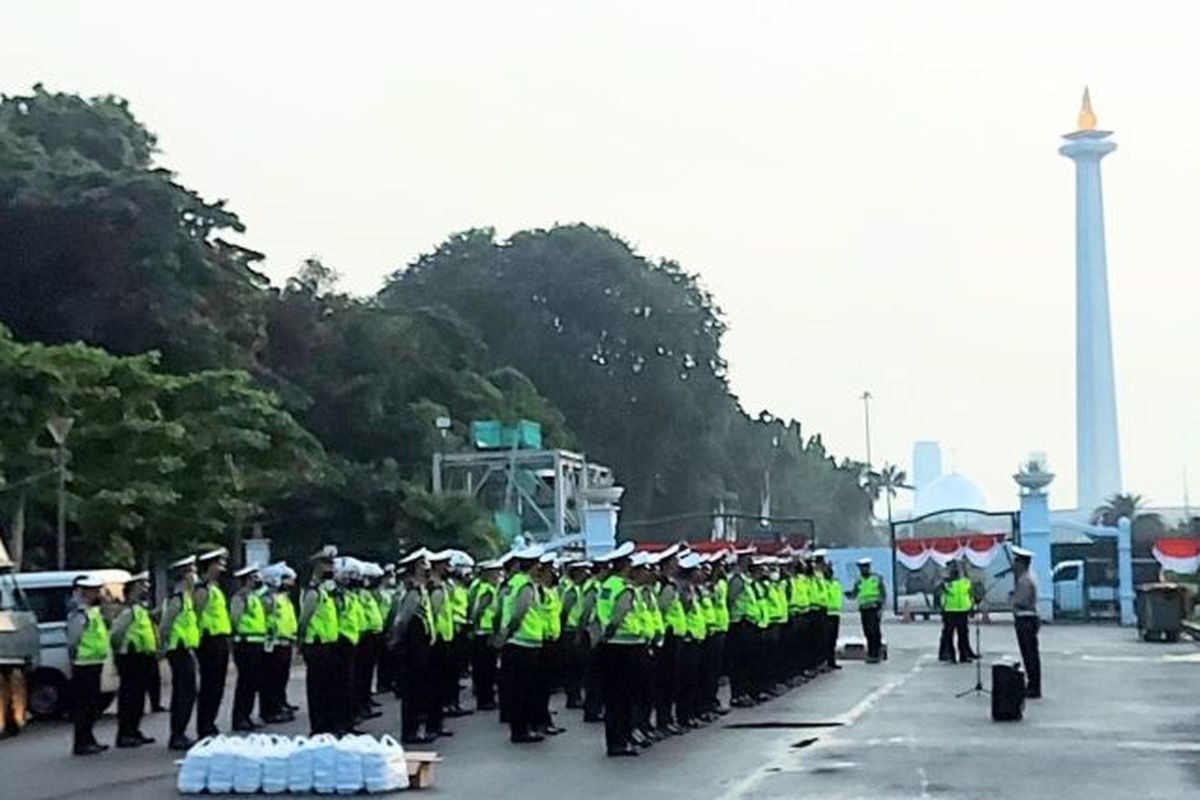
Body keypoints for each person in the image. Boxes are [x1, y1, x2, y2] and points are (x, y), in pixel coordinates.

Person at [594, 541, 640, 756]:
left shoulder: (607, 585)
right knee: (625, 697)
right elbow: (618, 615)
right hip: (624, 644)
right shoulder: (623, 588)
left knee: (613, 697)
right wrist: (610, 633)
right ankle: (622, 741)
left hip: (610, 646)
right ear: (626, 566)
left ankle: (615, 741)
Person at [499, 545, 546, 744]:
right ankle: (522, 731)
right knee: (524, 690)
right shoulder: (526, 585)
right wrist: (511, 631)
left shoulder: (512, 582)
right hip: (523, 642)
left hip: (515, 642)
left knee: (516, 689)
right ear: (534, 566)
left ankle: (520, 729)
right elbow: (520, 612)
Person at [392, 548, 437, 745]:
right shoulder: (412, 591)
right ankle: (410, 731)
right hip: (413, 646)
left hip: (421, 646)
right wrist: (396, 640)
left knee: (420, 689)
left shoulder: (421, 589)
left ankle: (417, 727)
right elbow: (402, 620)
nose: (426, 568)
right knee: (413, 691)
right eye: (421, 565)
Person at [110, 571, 158, 747]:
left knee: (138, 697)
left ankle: (134, 731)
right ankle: (125, 733)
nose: (145, 589)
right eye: (142, 586)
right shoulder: (128, 611)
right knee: (129, 696)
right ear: (132, 589)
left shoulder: (140, 609)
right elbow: (116, 634)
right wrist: (120, 652)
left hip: (143, 657)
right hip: (131, 657)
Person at [299, 546, 341, 735]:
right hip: (316, 646)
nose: (330, 568)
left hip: (328, 644)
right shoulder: (313, 592)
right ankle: (318, 728)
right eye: (326, 564)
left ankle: (329, 724)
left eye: (331, 564)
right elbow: (304, 619)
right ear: (317, 566)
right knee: (317, 689)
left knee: (329, 688)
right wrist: (300, 642)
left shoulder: (327, 592)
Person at [159, 555, 200, 750]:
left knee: (188, 692)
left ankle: (180, 732)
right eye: (192, 572)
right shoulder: (178, 600)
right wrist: (165, 646)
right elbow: (165, 626)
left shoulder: (186, 599)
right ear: (185, 576)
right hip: (179, 650)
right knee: (184, 693)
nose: (195, 576)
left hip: (185, 649)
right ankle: (177, 735)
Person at [67, 575, 110, 756]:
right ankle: (82, 743)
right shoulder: (79, 613)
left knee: (91, 704)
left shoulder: (92, 611)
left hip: (94, 662)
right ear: (85, 592)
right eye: (94, 591)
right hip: (84, 663)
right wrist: (75, 659)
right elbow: (73, 640)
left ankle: (89, 739)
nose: (97, 594)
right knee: (84, 706)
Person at [194, 547, 232, 738]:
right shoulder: (201, 590)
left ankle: (211, 723)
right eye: (219, 564)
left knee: (217, 686)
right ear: (209, 566)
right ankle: (205, 726)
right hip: (208, 641)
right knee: (210, 685)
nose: (222, 568)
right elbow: (197, 615)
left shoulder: (214, 589)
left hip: (220, 639)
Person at [230, 565, 269, 731]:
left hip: (256, 643)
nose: (257, 580)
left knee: (253, 682)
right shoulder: (241, 597)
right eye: (254, 578)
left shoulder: (254, 597)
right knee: (245, 683)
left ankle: (247, 715)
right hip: (245, 644)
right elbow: (235, 619)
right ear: (247, 579)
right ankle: (240, 718)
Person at [262, 564, 298, 724]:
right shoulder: (268, 598)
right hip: (274, 643)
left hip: (285, 641)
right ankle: (271, 710)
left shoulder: (283, 597)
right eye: (285, 579)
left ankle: (279, 705)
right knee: (271, 679)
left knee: (281, 677)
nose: (289, 582)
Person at [468, 559, 503, 710]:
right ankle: (485, 700)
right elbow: (478, 611)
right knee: (486, 669)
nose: (498, 576)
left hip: (486, 631)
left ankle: (487, 698)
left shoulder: (485, 587)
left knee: (487, 668)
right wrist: (474, 626)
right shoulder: (487, 590)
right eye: (495, 573)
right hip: (484, 632)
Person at [1010, 546, 1042, 698]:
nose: (1014, 565)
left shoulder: (1024, 580)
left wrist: (1012, 599)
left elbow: (1022, 601)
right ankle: (1033, 684)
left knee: (1029, 655)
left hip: (1025, 618)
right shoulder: (1028, 577)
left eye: (1016, 562)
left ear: (1022, 563)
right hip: (1028, 618)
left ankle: (1033, 686)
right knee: (1030, 654)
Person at [938, 562, 976, 664]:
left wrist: (971, 607)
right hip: (950, 611)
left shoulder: (965, 582)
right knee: (950, 635)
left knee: (963, 634)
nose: (955, 572)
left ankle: (964, 655)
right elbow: (942, 596)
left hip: (963, 611)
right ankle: (951, 655)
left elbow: (969, 595)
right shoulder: (945, 584)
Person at [850, 557, 886, 663]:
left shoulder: (876, 578)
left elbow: (883, 593)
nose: (863, 570)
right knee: (867, 631)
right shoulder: (858, 580)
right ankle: (871, 652)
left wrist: (882, 608)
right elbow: (855, 593)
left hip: (874, 607)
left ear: (869, 567)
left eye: (865, 567)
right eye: (861, 568)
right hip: (864, 609)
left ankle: (876, 653)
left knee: (874, 631)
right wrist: (850, 595)